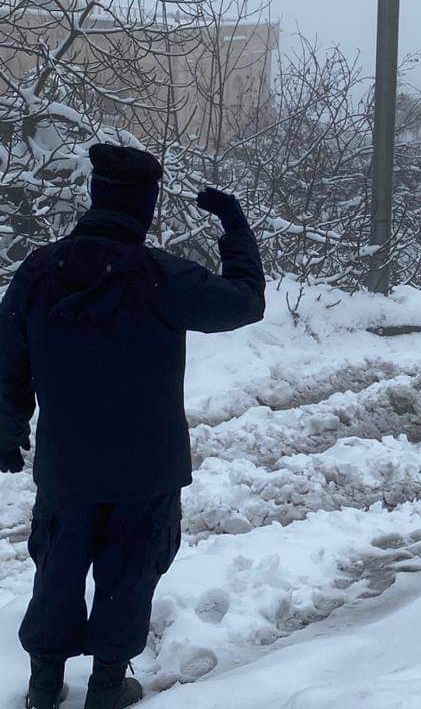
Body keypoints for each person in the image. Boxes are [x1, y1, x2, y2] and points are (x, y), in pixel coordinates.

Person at [0, 144, 265, 709]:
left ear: (97, 198)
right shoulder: (161, 276)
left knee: (58, 570)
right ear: (143, 208)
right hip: (146, 469)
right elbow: (244, 301)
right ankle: (105, 686)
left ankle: (43, 685)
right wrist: (235, 229)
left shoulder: (40, 271)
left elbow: (8, 355)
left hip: (67, 466)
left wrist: (7, 424)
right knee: (131, 573)